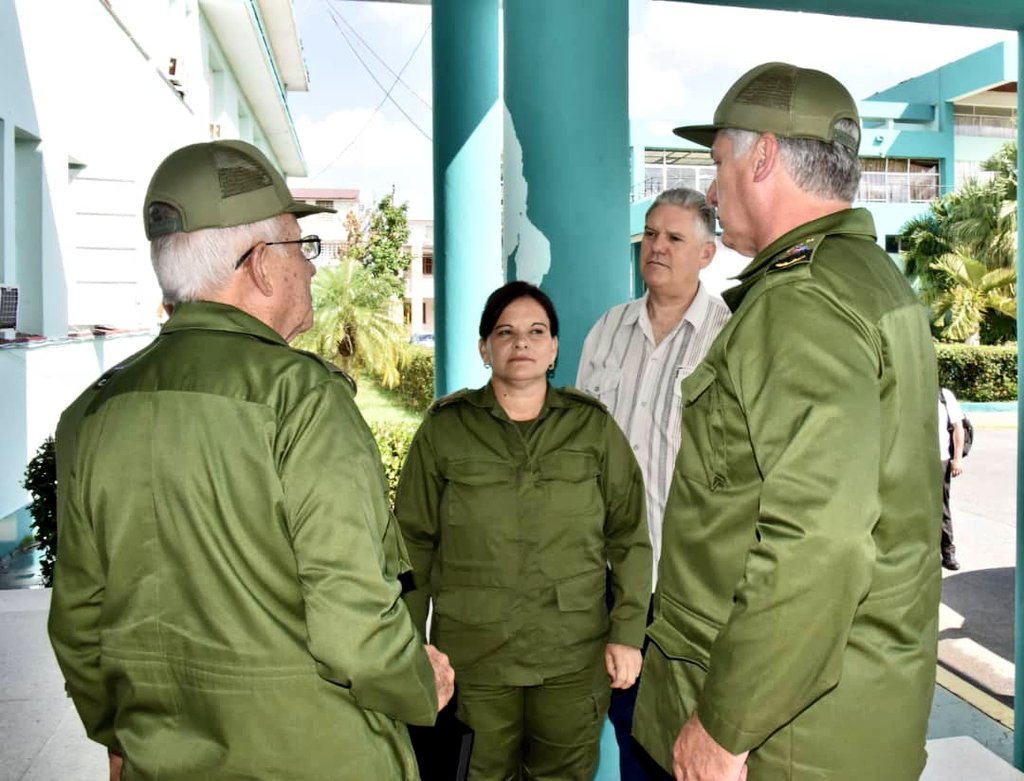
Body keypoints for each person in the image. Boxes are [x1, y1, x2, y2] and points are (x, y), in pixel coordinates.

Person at [48, 139, 454, 781]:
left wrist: (122, 736)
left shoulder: (92, 412)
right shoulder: (301, 398)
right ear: (261, 265)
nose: (313, 270)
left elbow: (78, 623)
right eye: (303, 247)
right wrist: (417, 683)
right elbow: (355, 630)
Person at [632, 62, 941, 780]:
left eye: (719, 163)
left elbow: (820, 539)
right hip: (849, 716)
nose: (711, 189)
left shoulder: (800, 302)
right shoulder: (873, 281)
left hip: (785, 740)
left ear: (764, 156)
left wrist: (724, 722)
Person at [395, 281, 653, 780]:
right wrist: (410, 648)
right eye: (505, 332)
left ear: (555, 348)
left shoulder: (592, 428)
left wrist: (626, 634)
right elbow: (412, 545)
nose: (521, 343)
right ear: (484, 347)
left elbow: (629, 537)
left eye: (537, 331)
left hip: (572, 658)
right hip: (474, 660)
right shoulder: (445, 430)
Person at [576, 187, 730, 780]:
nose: (657, 248)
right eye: (651, 234)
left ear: (707, 254)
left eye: (674, 238)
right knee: (628, 725)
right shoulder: (607, 331)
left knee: (689, 738)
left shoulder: (728, 339)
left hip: (686, 585)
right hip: (612, 579)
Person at [939, 387, 966, 570]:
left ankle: (948, 551)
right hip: (915, 461)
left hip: (940, 460)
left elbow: (958, 428)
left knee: (942, 506)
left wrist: (957, 459)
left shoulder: (944, 395)